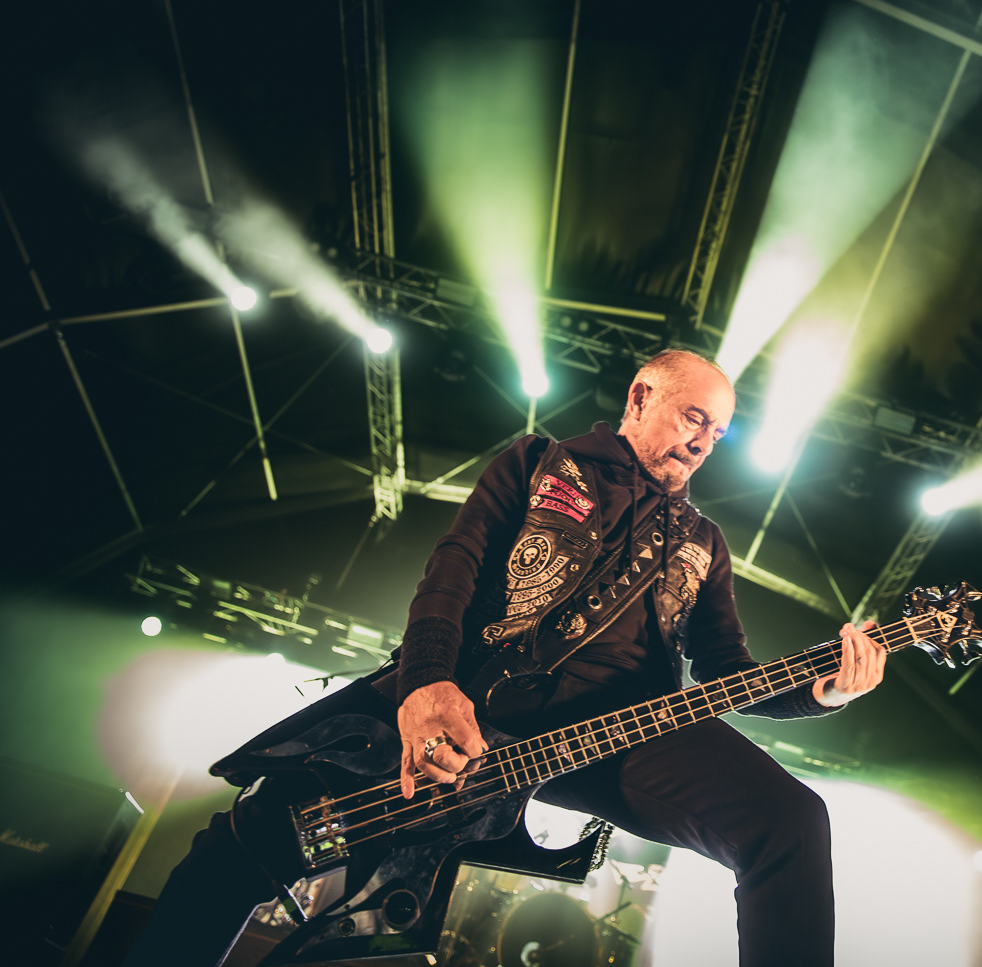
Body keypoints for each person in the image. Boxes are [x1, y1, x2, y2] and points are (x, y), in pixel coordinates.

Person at [121, 349, 886, 967]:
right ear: (641, 396)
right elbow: (454, 567)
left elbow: (726, 670)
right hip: (476, 705)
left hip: (616, 734)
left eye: (719, 432)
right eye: (695, 417)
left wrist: (822, 690)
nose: (704, 442)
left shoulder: (703, 543)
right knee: (237, 851)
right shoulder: (539, 463)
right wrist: (426, 684)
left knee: (791, 819)